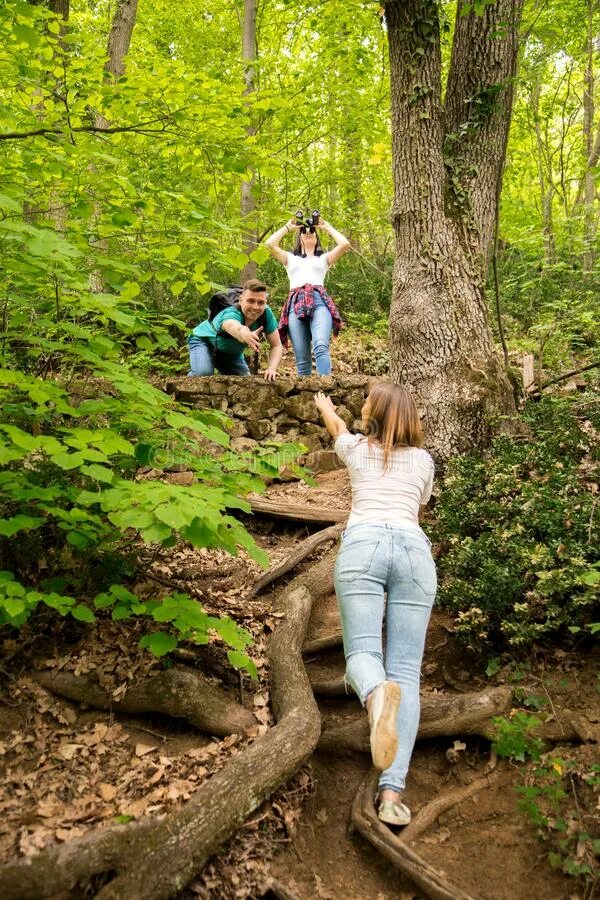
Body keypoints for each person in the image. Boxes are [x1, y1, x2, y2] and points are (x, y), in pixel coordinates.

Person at [314, 383, 436, 828]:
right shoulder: (423, 461)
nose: (361, 407)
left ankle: (373, 696)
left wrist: (325, 408)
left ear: (377, 413)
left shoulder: (356, 451)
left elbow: (339, 429)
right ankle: (391, 796)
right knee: (406, 671)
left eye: (367, 402)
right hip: (413, 552)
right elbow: (419, 503)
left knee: (363, 656)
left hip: (362, 545)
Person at [264, 215, 350, 376]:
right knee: (302, 358)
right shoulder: (290, 259)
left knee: (320, 345)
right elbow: (269, 244)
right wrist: (289, 227)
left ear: (317, 239)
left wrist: (326, 227)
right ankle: (307, 397)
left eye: (312, 231)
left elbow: (345, 244)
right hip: (295, 303)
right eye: (304, 231)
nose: (308, 232)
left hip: (319, 302)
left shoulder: (324, 259)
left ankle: (325, 388)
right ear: (299, 238)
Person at [188, 279, 282, 381]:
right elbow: (232, 326)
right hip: (203, 342)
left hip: (231, 354)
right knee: (203, 374)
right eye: (250, 301)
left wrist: (271, 369)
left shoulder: (266, 314)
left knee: (245, 383)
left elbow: (276, 345)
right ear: (241, 300)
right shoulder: (230, 313)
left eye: (261, 302)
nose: (255, 307)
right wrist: (244, 333)